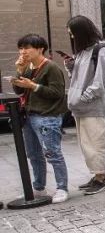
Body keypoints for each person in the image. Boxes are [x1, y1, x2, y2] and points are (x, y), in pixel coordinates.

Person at [13, 34, 70, 203]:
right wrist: (19, 71)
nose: (23, 52)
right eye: (21, 48)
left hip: (47, 116)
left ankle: (62, 188)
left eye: (27, 48)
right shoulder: (28, 67)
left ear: (40, 49)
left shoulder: (51, 67)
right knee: (33, 155)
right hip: (30, 116)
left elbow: (57, 93)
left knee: (52, 153)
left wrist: (33, 86)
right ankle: (38, 188)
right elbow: (19, 91)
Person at [66, 16, 105, 195]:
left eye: (72, 32)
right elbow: (78, 79)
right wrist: (71, 67)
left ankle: (100, 178)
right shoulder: (82, 51)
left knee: (96, 143)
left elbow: (101, 82)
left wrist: (83, 98)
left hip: (92, 106)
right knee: (86, 144)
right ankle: (99, 175)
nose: (71, 36)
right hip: (80, 106)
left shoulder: (100, 50)